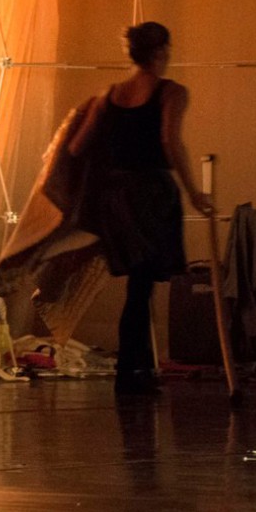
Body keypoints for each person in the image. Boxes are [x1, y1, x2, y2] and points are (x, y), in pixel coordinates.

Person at [66, 21, 212, 394]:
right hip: (150, 195)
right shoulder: (171, 92)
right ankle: (130, 371)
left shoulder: (109, 95)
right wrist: (194, 192)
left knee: (139, 283)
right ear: (161, 51)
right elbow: (171, 142)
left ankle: (138, 367)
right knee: (142, 285)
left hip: (115, 197)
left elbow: (77, 147)